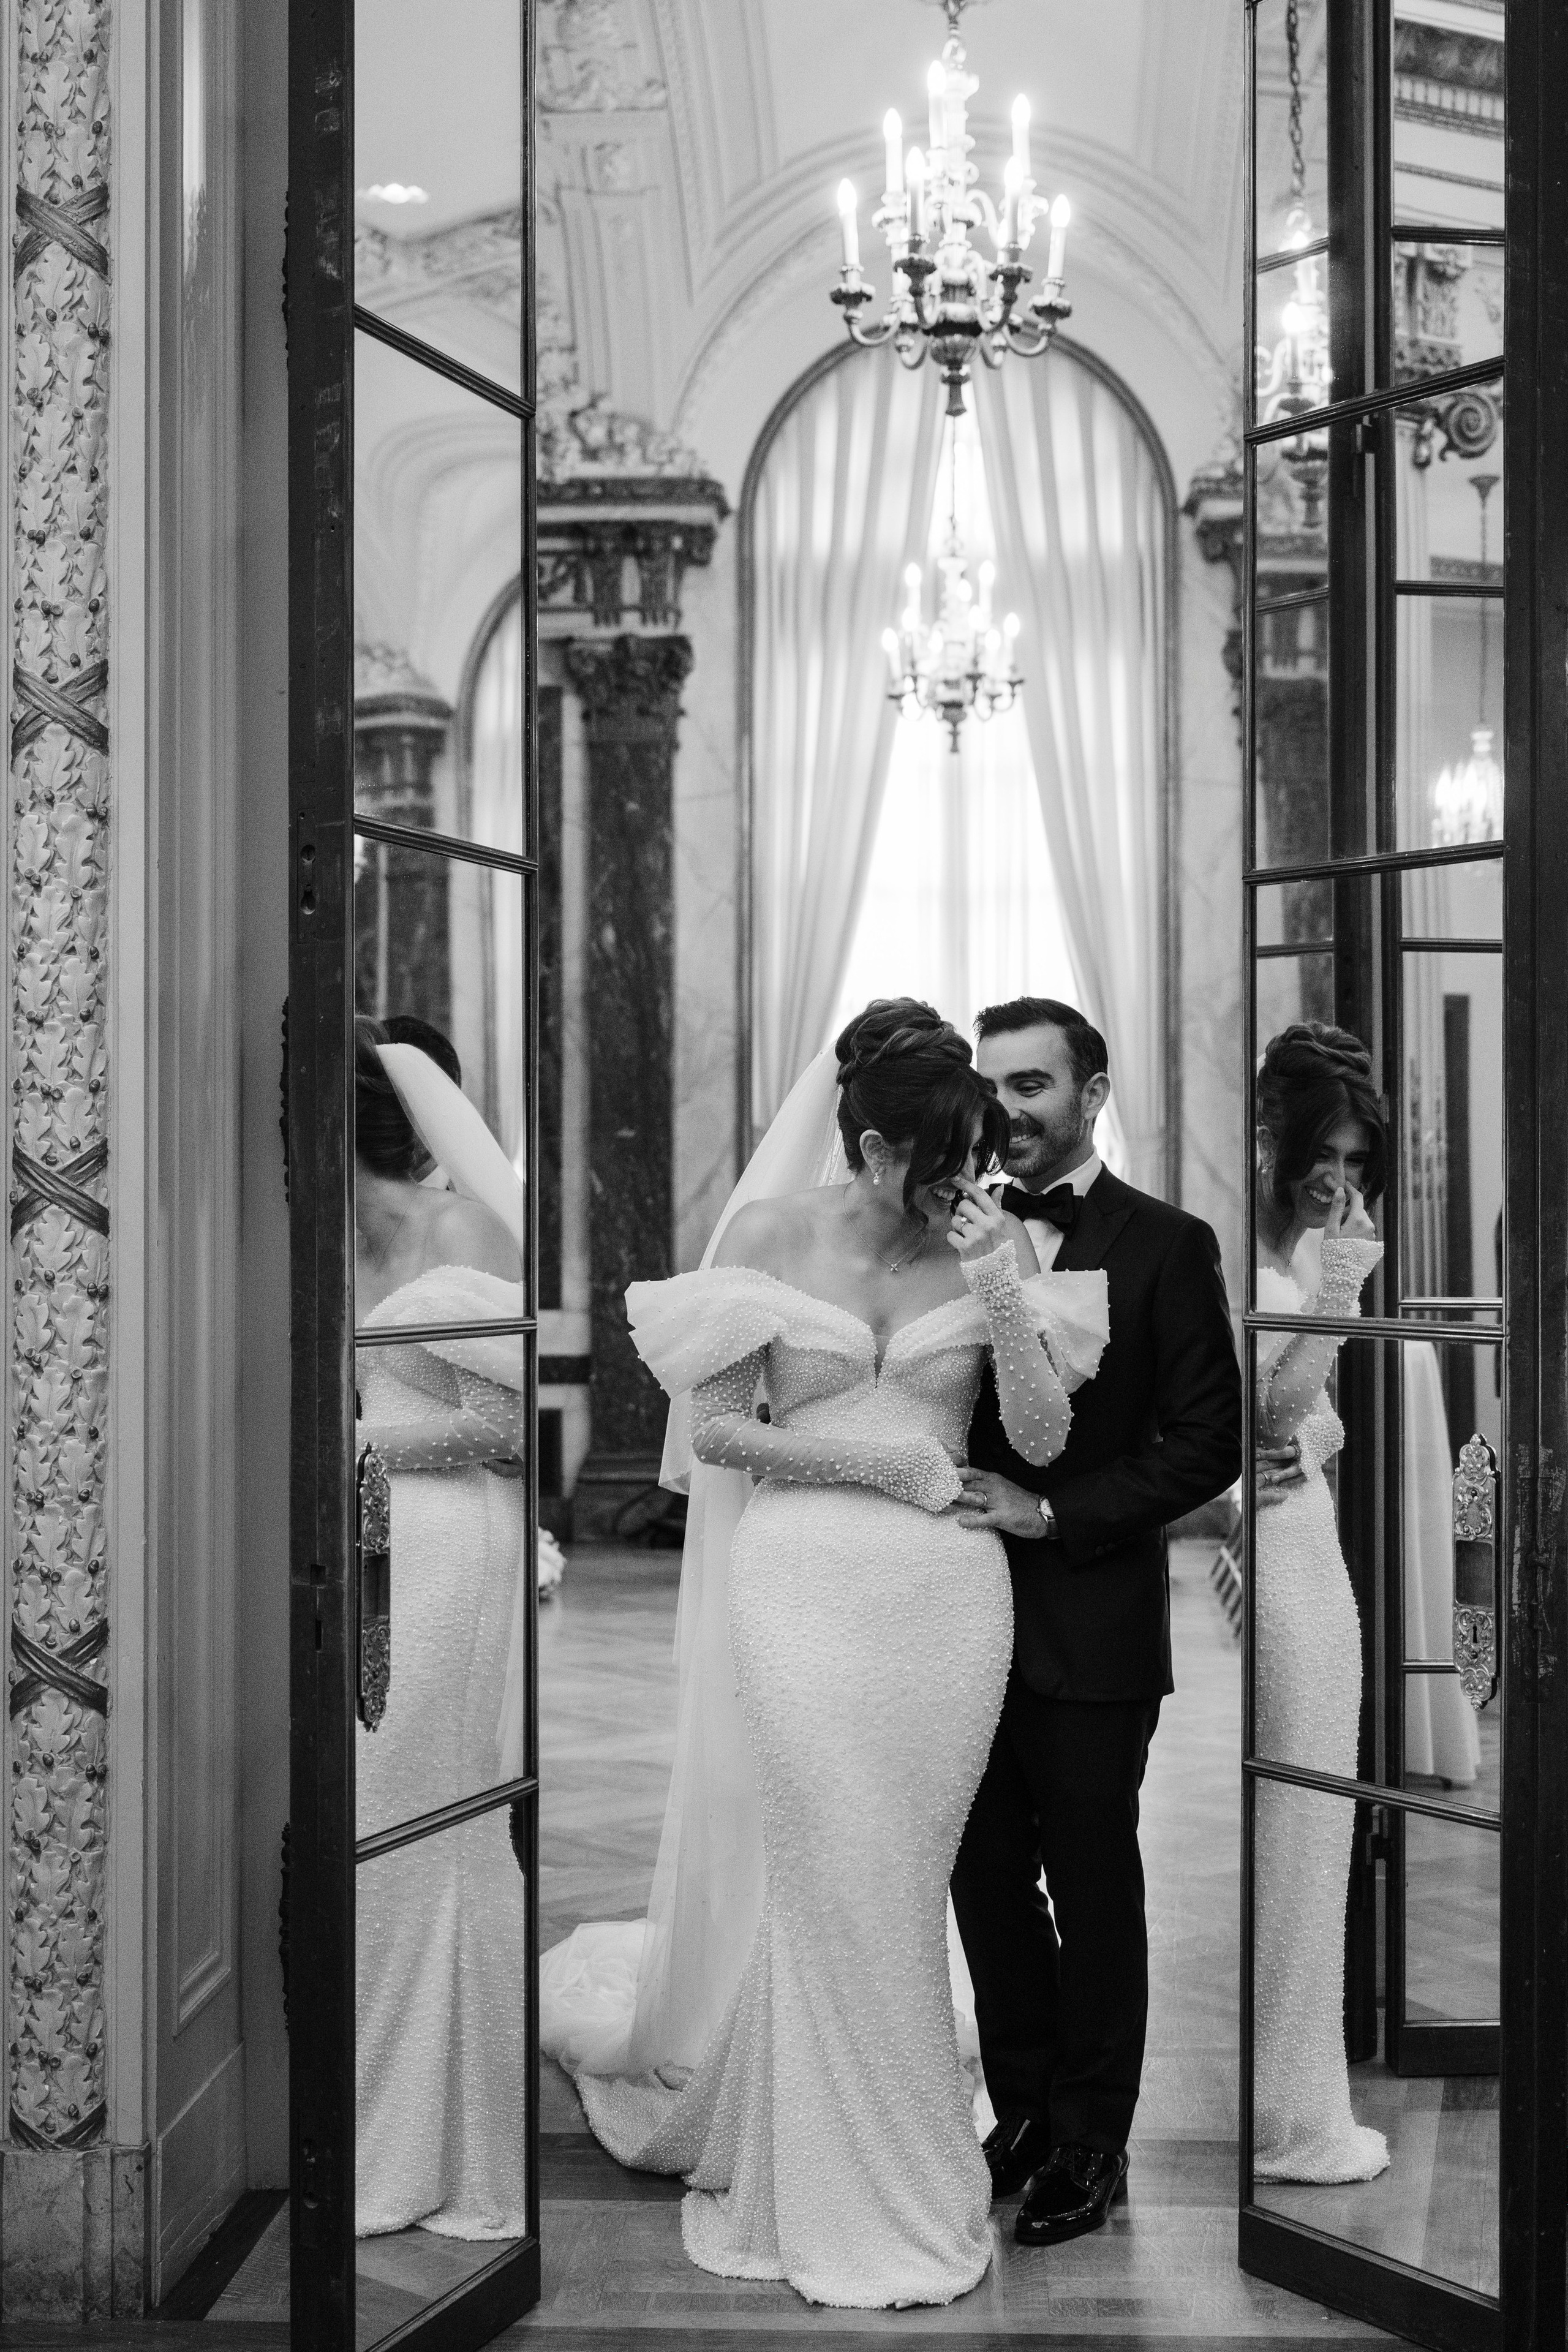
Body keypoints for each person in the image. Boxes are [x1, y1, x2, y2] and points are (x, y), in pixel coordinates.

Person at [540, 1001, 1109, 2309]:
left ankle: (885, 2161)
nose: (961, 1186)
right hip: (798, 1590)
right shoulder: (768, 1237)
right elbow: (721, 1437)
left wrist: (998, 1289)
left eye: (975, 1161)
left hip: (947, 1604)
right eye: (939, 1163)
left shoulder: (990, 1243)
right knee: (832, 1865)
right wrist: (874, 1464)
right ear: (869, 1148)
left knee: (896, 1882)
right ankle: (841, 2181)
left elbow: (1040, 1435)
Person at [948, 997, 1243, 2246]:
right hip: (953, 1620)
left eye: (1032, 1084)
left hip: (1094, 1623)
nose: (1007, 1108)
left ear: (1093, 1092)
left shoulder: (1167, 1243)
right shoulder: (949, 1230)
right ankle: (1020, 2111)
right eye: (992, 1086)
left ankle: (1089, 2141)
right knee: (982, 1881)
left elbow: (1208, 1446)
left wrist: (1052, 1511)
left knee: (1092, 1883)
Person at [352, 1016, 537, 2239]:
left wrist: (352, 1444)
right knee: (373, 1822)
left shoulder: (458, 1230)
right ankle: (387, 2118)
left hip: (445, 1548)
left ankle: (461, 2138)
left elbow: (501, 1429)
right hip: (367, 1543)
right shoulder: (319, 1236)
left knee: (428, 1814)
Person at [1248, 1022, 1390, 2183]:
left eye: (1354, 1162)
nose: (1335, 1181)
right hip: (1280, 1564)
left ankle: (1296, 2094)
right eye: (1321, 1154)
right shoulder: (1254, 1259)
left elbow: (1299, 1427)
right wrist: (1340, 1287)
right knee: (1295, 1820)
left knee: (1317, 1823)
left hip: (1311, 1550)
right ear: (1275, 1142)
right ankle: (1289, 2111)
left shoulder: (1299, 1253)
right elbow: (1269, 1416)